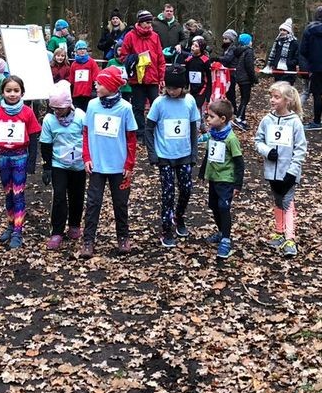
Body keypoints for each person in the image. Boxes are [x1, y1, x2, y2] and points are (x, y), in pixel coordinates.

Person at [80, 66, 138, 258]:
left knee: (120, 204)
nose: (96, 86)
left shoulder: (125, 108)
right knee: (93, 203)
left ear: (111, 86)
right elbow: (86, 132)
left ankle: (123, 237)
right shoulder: (92, 105)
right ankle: (88, 240)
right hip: (97, 165)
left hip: (119, 166)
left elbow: (131, 138)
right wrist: (87, 157)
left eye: (100, 83)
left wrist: (129, 164)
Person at [145, 65, 202, 247]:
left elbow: (193, 129)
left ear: (183, 87)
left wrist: (194, 153)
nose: (171, 91)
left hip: (184, 154)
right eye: (168, 88)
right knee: (168, 193)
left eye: (175, 88)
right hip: (165, 155)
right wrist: (153, 154)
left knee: (186, 189)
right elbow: (148, 128)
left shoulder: (190, 102)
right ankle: (166, 229)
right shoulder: (159, 103)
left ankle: (179, 216)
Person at [0, 74, 41, 249]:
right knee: (8, 193)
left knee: (18, 193)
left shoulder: (27, 112)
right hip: (3, 157)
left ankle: (18, 230)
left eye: (16, 90)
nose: (12, 94)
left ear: (22, 93)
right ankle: (10, 224)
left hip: (20, 157)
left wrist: (32, 162)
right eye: (8, 90)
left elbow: (33, 138)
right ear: (2, 92)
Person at [255, 81, 308, 257]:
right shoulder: (267, 120)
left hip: (289, 173)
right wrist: (267, 151)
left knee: (287, 202)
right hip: (272, 171)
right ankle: (279, 233)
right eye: (271, 96)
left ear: (287, 100)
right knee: (278, 200)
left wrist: (293, 172)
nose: (272, 100)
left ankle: (290, 239)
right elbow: (258, 141)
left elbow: (300, 149)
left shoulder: (295, 122)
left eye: (277, 97)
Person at [40, 81, 87, 250]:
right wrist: (47, 167)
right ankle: (57, 232)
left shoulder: (81, 116)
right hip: (58, 163)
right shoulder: (49, 120)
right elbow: (45, 144)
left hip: (78, 164)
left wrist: (89, 159)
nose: (57, 111)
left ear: (68, 105)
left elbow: (88, 139)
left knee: (77, 195)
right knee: (59, 196)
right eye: (54, 108)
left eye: (60, 108)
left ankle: (74, 225)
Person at [200, 98, 244, 260]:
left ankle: (226, 239)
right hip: (214, 178)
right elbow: (208, 154)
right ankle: (221, 231)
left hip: (226, 179)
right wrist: (202, 172)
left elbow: (239, 162)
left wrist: (237, 185)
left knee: (223, 207)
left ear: (223, 119)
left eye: (211, 116)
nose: (208, 119)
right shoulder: (213, 135)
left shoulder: (231, 139)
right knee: (213, 205)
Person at [119, 9, 164, 139]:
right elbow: (123, 56)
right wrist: (135, 58)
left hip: (153, 78)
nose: (149, 25)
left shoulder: (155, 36)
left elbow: (160, 58)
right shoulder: (130, 36)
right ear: (140, 22)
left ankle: (155, 131)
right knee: (138, 107)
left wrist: (161, 77)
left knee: (155, 106)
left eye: (150, 22)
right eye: (146, 22)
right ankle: (140, 133)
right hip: (137, 79)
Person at [229, 32, 257, 129]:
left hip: (240, 77)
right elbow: (249, 66)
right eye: (250, 41)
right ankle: (239, 118)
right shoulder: (248, 51)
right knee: (245, 99)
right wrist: (254, 78)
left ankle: (242, 118)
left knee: (243, 98)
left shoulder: (240, 51)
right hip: (246, 78)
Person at [181, 36, 212, 111]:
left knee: (198, 106)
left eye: (196, 46)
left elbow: (208, 78)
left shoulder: (205, 60)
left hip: (202, 88)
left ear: (201, 48)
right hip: (191, 88)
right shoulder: (188, 60)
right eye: (192, 45)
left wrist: (208, 94)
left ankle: (199, 117)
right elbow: (186, 75)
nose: (193, 47)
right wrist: (185, 86)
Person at [69, 41, 96, 112]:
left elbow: (96, 77)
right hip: (77, 94)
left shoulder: (92, 62)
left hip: (88, 94)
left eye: (84, 49)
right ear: (76, 51)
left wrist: (94, 91)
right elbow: (71, 81)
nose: (82, 51)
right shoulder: (74, 64)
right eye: (80, 49)